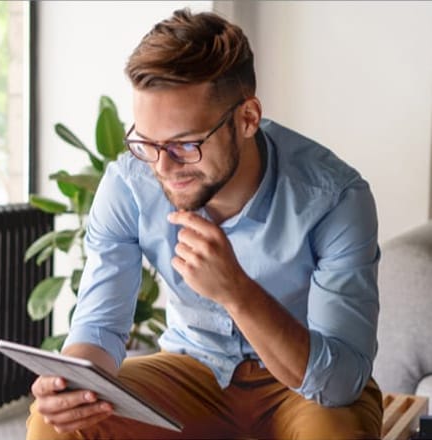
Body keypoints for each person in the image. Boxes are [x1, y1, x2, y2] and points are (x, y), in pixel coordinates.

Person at [27, 8, 383, 440]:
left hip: (304, 385)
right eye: (146, 142)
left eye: (185, 144)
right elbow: (98, 330)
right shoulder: (128, 185)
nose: (162, 165)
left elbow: (340, 381)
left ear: (247, 118)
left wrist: (237, 291)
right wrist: (72, 386)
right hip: (190, 370)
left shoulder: (335, 198)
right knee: (54, 424)